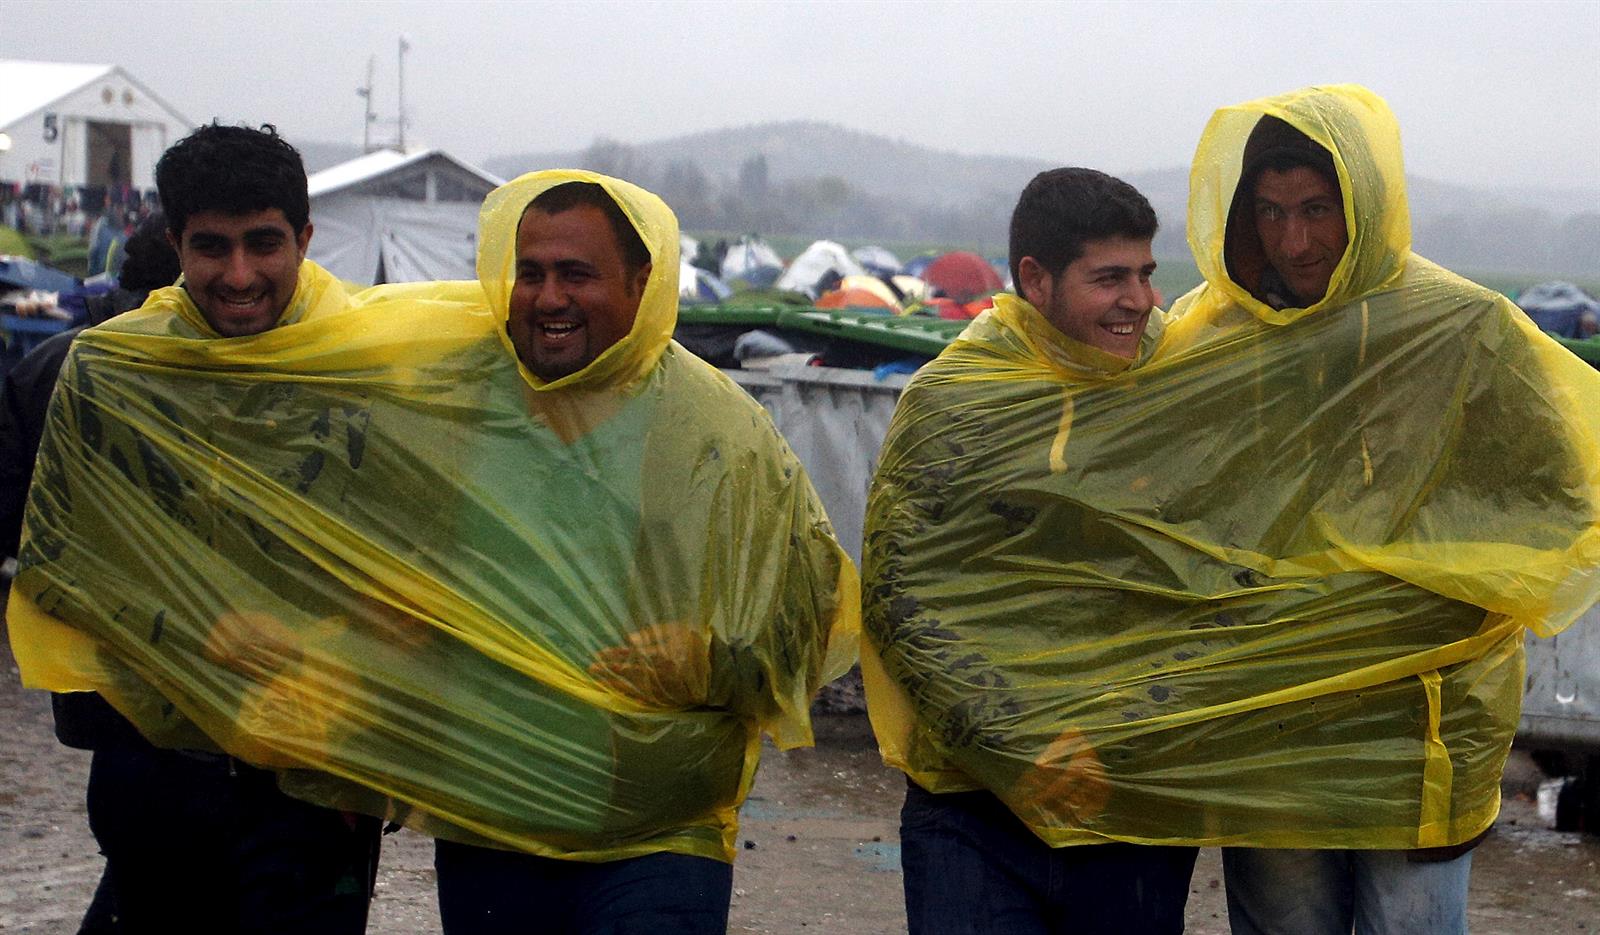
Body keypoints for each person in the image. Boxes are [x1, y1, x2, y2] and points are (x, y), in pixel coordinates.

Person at [10, 167, 858, 934]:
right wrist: (299, 649)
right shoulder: (450, 402)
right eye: (530, 272)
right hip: (486, 817)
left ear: (645, 280)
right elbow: (389, 586)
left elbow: (805, 613)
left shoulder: (718, 434)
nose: (548, 295)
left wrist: (710, 654)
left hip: (656, 834)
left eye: (577, 273)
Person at [1164, 85, 1600, 934]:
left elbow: (1562, 493)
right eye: (1270, 211)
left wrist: (1431, 586)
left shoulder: (1462, 327)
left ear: (1364, 202)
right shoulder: (1213, 339)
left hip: (1422, 721)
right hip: (1273, 718)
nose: (1295, 241)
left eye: (1318, 209)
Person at [7, 123, 382, 934]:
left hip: (314, 790)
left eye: (264, 244)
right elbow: (58, 571)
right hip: (154, 778)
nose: (239, 274)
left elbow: (417, 576)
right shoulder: (109, 378)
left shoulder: (367, 378)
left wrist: (313, 649)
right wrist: (193, 635)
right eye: (212, 246)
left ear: (305, 238)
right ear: (174, 242)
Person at [862, 167, 1197, 935]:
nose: (1140, 301)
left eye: (1146, 274)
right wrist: (1021, 744)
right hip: (972, 807)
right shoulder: (954, 402)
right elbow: (901, 596)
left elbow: (1209, 587)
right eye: (1109, 277)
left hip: (1129, 802)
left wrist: (1122, 731)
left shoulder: (1174, 396)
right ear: (1035, 279)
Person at [0, 209, 180, 935]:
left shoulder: (48, 363)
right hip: (182, 710)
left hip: (103, 703)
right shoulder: (141, 374)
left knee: (138, 876)